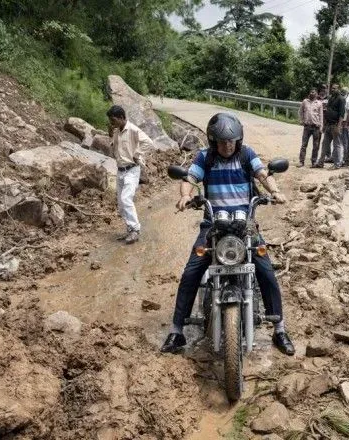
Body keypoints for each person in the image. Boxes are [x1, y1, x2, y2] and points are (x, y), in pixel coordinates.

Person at [161, 113, 295, 356]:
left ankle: (279, 329)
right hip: (213, 225)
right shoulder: (205, 157)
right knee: (192, 271)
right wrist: (185, 195)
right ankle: (177, 330)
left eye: (232, 141)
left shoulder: (247, 155)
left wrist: (275, 192)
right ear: (213, 142)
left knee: (266, 271)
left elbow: (262, 174)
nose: (227, 146)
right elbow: (190, 178)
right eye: (222, 142)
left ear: (239, 140)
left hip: (246, 226)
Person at [107, 105, 154, 244]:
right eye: (111, 121)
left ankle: (135, 230)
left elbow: (149, 143)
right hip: (120, 170)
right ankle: (129, 229)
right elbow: (115, 148)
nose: (112, 123)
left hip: (132, 170)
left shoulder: (133, 129)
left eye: (113, 120)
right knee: (121, 204)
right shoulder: (117, 131)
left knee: (126, 199)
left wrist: (137, 154)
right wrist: (111, 135)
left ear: (121, 117)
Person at [313, 83, 345, 169]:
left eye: (335, 88)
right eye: (332, 88)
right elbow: (327, 110)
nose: (333, 90)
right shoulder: (331, 98)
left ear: (339, 89)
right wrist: (324, 125)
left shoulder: (341, 99)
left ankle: (337, 164)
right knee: (324, 144)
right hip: (328, 125)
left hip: (335, 125)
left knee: (337, 145)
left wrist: (339, 126)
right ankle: (320, 163)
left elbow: (342, 114)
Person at [298, 88, 323, 167]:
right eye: (311, 92)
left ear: (316, 94)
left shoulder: (319, 103)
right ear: (309, 93)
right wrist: (301, 120)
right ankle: (301, 161)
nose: (312, 93)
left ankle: (314, 161)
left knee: (315, 145)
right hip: (307, 127)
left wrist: (321, 127)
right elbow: (300, 111)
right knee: (304, 145)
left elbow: (321, 116)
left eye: (314, 92)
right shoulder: (305, 102)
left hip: (316, 127)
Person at [340, 87, 349, 161]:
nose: (343, 91)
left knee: (345, 142)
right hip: (339, 122)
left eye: (344, 91)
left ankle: (345, 158)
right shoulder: (340, 98)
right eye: (342, 90)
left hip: (345, 123)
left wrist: (347, 123)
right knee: (338, 141)